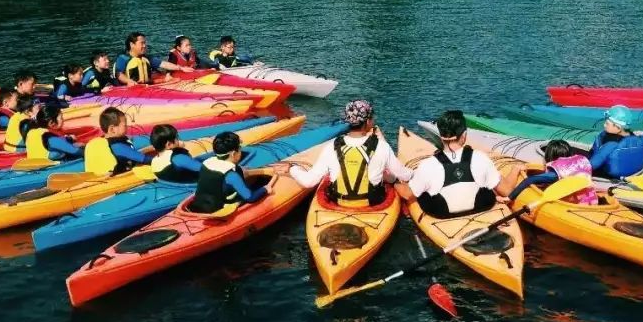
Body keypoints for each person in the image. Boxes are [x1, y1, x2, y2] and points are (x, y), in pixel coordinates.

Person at [274, 100, 412, 205]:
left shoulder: (331, 146)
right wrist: (415, 171)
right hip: (372, 201)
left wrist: (291, 168)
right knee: (389, 178)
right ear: (368, 121)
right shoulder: (382, 146)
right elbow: (404, 175)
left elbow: (309, 182)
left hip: (339, 201)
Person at [396, 110, 522, 218]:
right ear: (464, 135)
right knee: (489, 188)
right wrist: (515, 170)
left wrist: (394, 183)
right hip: (481, 208)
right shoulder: (481, 158)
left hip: (442, 214)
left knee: (422, 193)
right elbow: (507, 191)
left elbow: (407, 195)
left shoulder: (427, 165)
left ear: (441, 135)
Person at [189, 131, 272, 214]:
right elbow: (250, 198)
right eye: (240, 148)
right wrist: (265, 189)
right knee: (256, 188)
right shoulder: (232, 176)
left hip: (198, 205)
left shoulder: (206, 163)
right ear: (233, 153)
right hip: (219, 210)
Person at [507, 139, 598, 205]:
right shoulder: (581, 162)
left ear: (549, 157)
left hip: (573, 205)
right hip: (592, 201)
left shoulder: (555, 173)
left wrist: (509, 197)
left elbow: (530, 180)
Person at [83, 107, 153, 176]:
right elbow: (146, 159)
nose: (127, 126)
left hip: (98, 178)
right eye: (124, 125)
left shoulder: (98, 142)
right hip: (117, 179)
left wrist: (149, 149)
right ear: (112, 129)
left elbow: (131, 153)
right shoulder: (118, 146)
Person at [587, 105, 643, 177]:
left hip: (606, 176)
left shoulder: (611, 144)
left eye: (607, 123)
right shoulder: (634, 138)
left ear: (618, 128)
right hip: (630, 173)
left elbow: (592, 165)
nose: (604, 125)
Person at [113, 31, 192, 86]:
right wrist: (129, 81)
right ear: (132, 44)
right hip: (129, 88)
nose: (145, 45)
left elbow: (163, 64)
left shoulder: (146, 58)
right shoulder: (123, 58)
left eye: (145, 43)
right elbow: (119, 74)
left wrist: (181, 68)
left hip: (145, 86)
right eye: (142, 43)